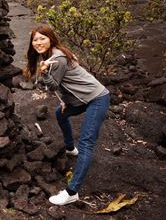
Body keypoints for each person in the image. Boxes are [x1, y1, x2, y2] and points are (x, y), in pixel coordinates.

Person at [24, 24, 110, 206]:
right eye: (35, 39)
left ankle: (72, 192)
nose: (38, 42)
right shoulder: (50, 55)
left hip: (97, 99)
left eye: (42, 38)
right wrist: (66, 100)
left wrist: (45, 72)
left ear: (51, 38)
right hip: (84, 98)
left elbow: (53, 85)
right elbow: (65, 83)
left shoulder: (57, 58)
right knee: (60, 113)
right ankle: (71, 149)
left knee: (86, 143)